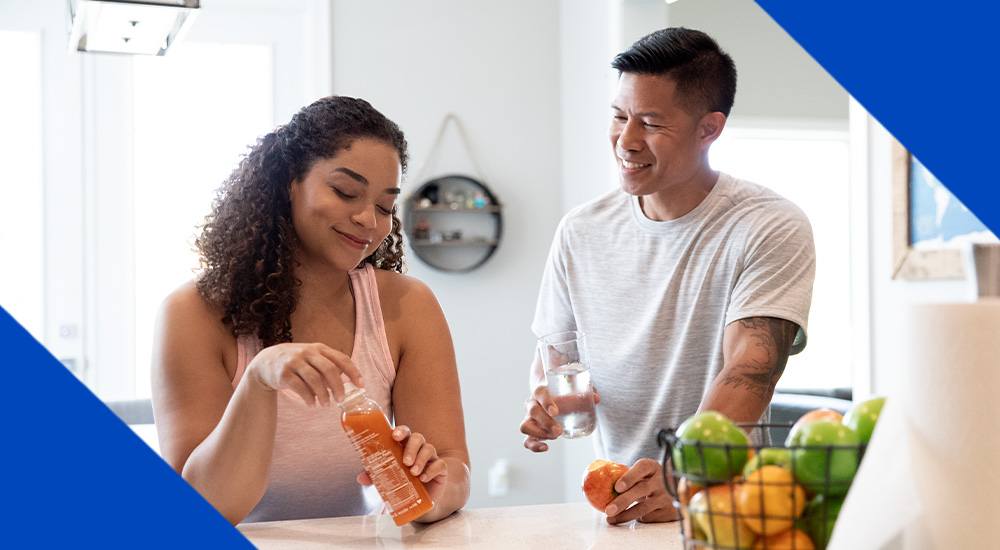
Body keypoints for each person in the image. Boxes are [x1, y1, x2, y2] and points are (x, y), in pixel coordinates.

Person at [520, 27, 816, 524]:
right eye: (618, 116)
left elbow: (750, 369)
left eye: (652, 123)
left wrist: (685, 472)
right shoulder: (580, 231)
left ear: (710, 128)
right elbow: (555, 357)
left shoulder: (769, 224)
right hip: (617, 501)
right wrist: (546, 401)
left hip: (724, 505)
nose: (626, 140)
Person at [151, 95, 471, 525]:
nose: (368, 220)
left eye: (384, 206)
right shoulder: (191, 314)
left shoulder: (407, 306)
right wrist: (258, 380)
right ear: (288, 180)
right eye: (345, 192)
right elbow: (201, 510)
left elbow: (452, 464)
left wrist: (436, 488)